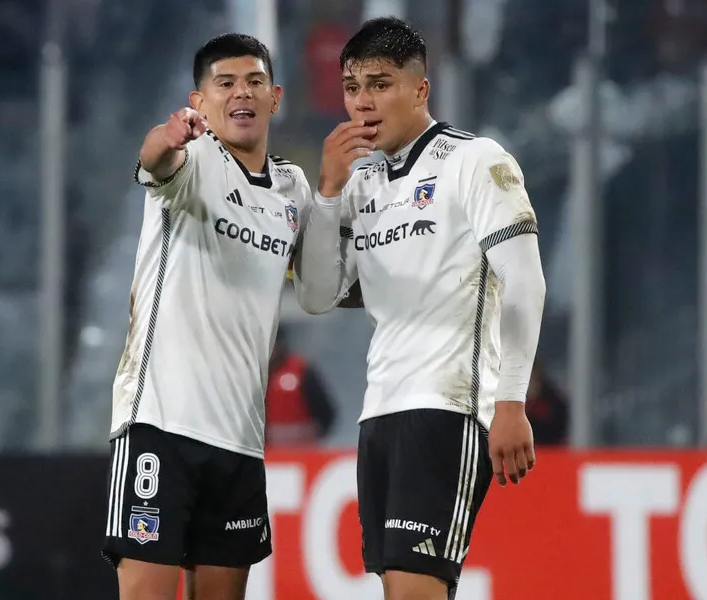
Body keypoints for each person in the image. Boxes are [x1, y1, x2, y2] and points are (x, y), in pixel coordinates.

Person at [294, 17, 547, 600]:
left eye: (380, 84)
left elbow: (525, 282)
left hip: (448, 405)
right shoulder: (360, 185)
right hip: (379, 410)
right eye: (353, 88)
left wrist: (510, 401)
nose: (364, 102)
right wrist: (328, 192)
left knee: (414, 590)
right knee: (402, 590)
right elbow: (315, 295)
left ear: (420, 90)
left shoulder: (475, 161)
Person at [102, 33, 311, 600]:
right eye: (225, 84)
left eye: (254, 82)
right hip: (162, 423)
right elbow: (154, 157)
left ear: (276, 97)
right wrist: (167, 137)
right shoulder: (192, 159)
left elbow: (321, 285)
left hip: (239, 440)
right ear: (199, 102)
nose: (241, 93)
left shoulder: (293, 189)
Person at [265, 325, 337, 446]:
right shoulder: (257, 376)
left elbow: (327, 413)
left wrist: (315, 433)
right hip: (270, 453)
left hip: (303, 451)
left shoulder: (302, 371)